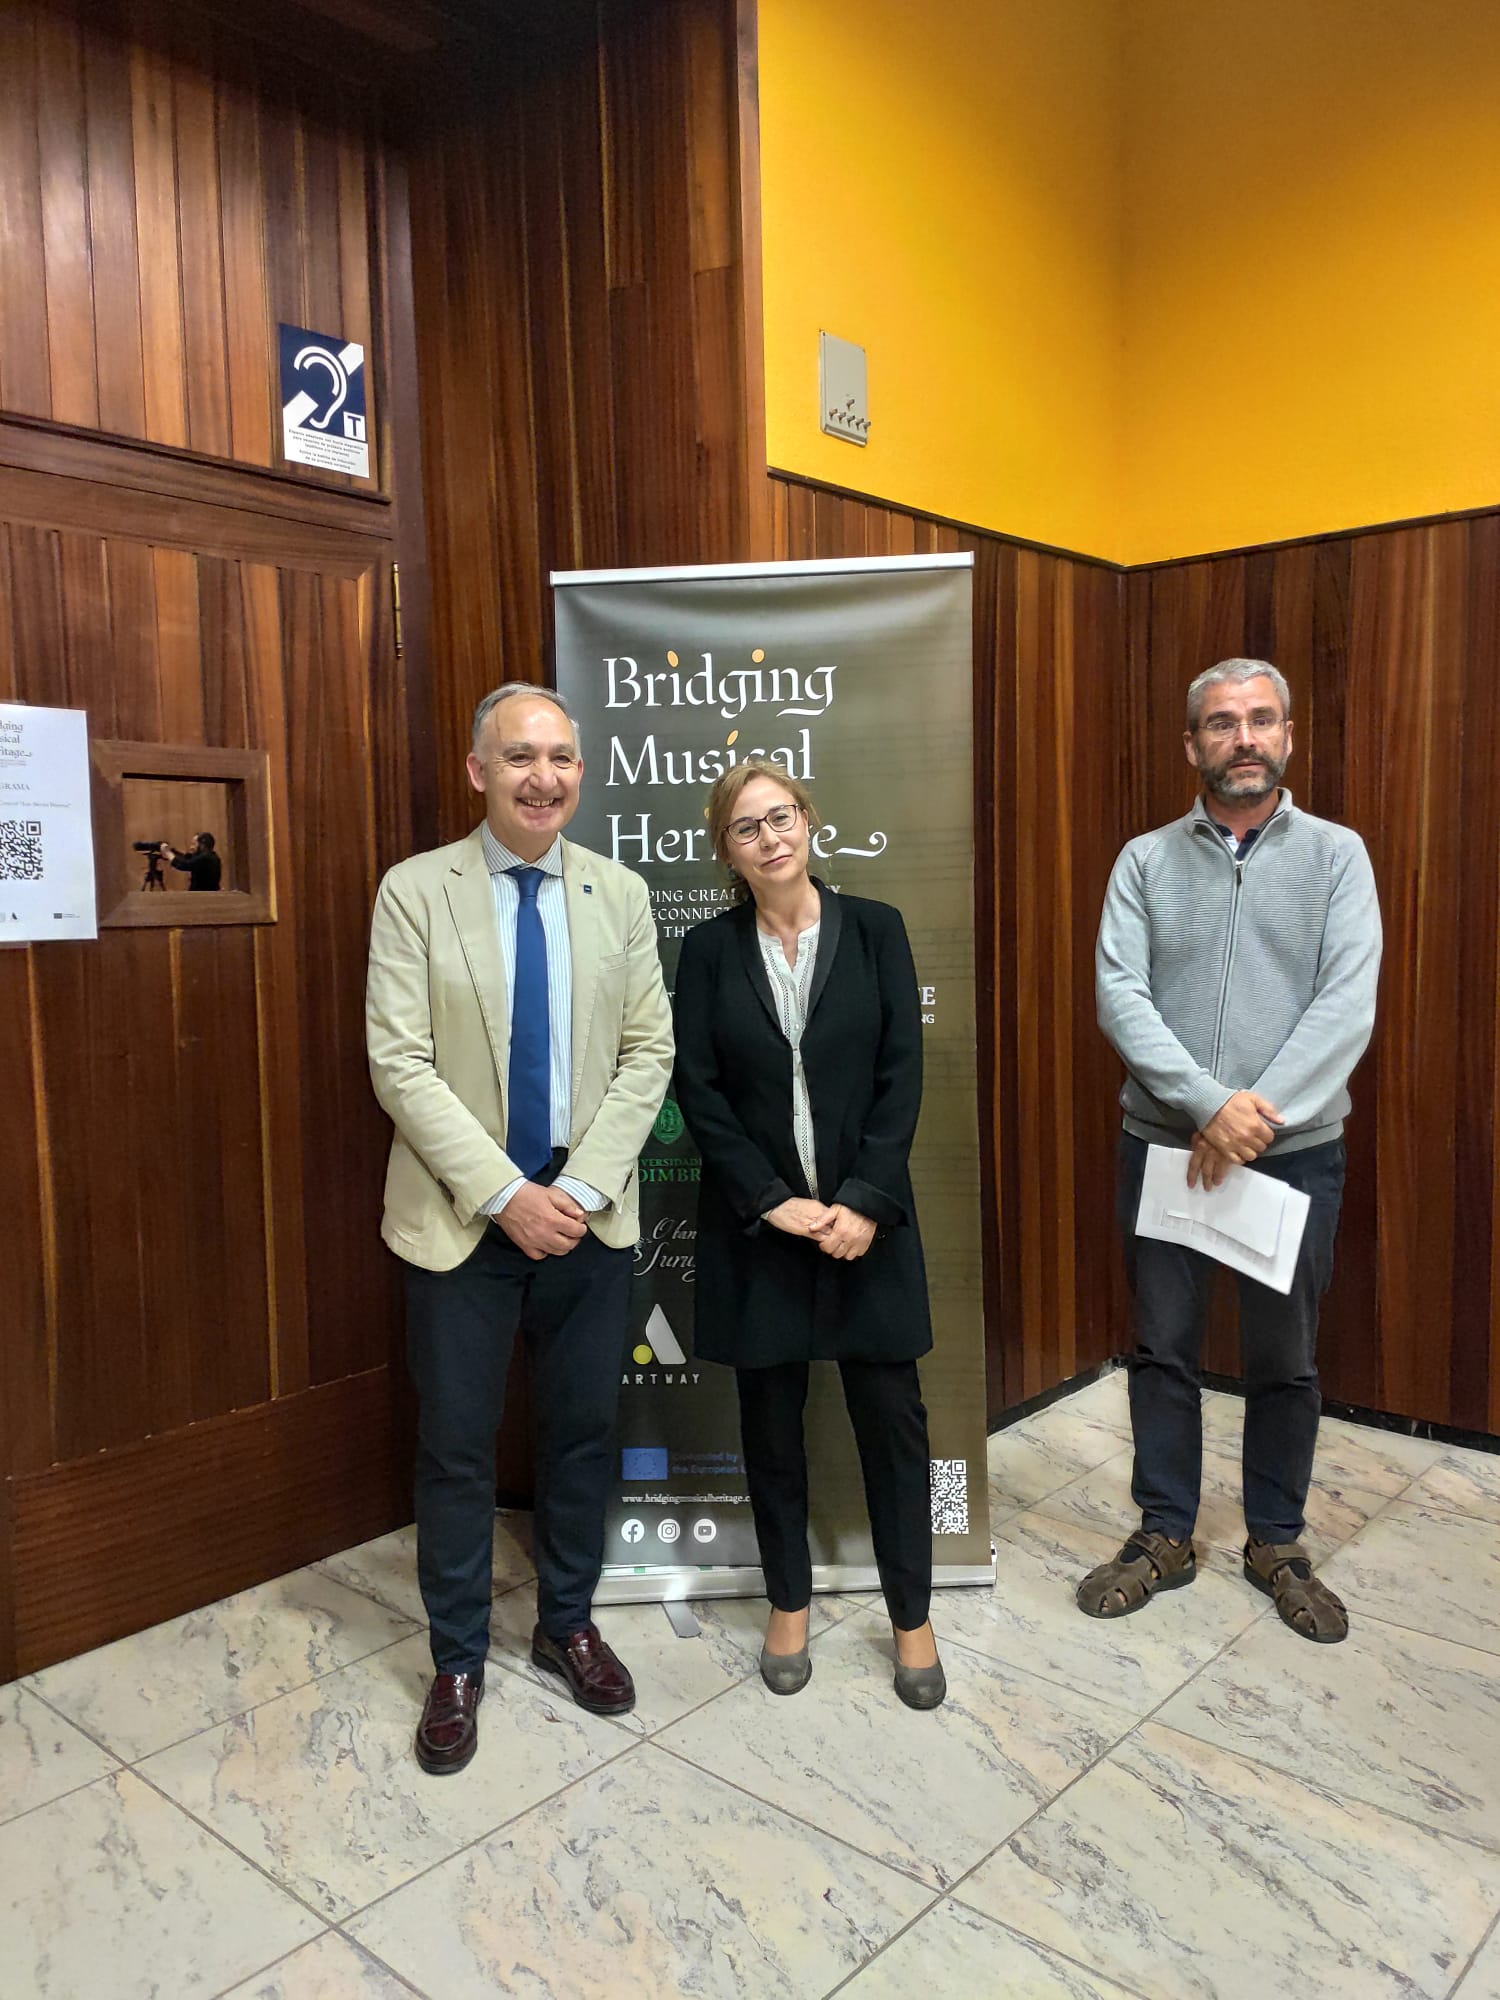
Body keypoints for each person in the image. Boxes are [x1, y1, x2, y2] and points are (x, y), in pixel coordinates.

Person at [366, 683, 672, 1774]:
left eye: (562, 758)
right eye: (520, 757)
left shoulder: (620, 894)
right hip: (461, 1222)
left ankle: (566, 1623)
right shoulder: (415, 891)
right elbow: (398, 1061)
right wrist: (508, 1193)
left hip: (587, 1219)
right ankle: (456, 1658)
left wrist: (580, 1191)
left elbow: (649, 1054)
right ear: (477, 769)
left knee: (581, 1435)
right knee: (455, 1448)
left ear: (580, 772)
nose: (544, 777)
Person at [1079, 658, 1381, 1644]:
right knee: (1162, 1347)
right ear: (1192, 745)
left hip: (1295, 1154)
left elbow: (1347, 1001)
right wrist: (1210, 1105)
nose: (1241, 737)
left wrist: (1262, 1115)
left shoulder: (1339, 857)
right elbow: (1121, 992)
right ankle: (1165, 1531)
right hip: (1166, 1147)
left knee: (1283, 1359)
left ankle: (1276, 1540)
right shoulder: (1144, 860)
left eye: (1259, 720)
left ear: (1289, 735)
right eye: (1220, 723)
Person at [673, 755, 945, 1709]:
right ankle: (788, 1603)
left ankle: (911, 1615)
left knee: (893, 1432)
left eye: (780, 817)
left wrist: (866, 1199)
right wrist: (765, 1199)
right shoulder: (707, 953)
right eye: (747, 828)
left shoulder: (877, 931)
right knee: (772, 1433)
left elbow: (900, 1074)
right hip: (764, 1233)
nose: (770, 838)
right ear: (728, 853)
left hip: (866, 1229)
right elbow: (698, 1090)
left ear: (809, 821)